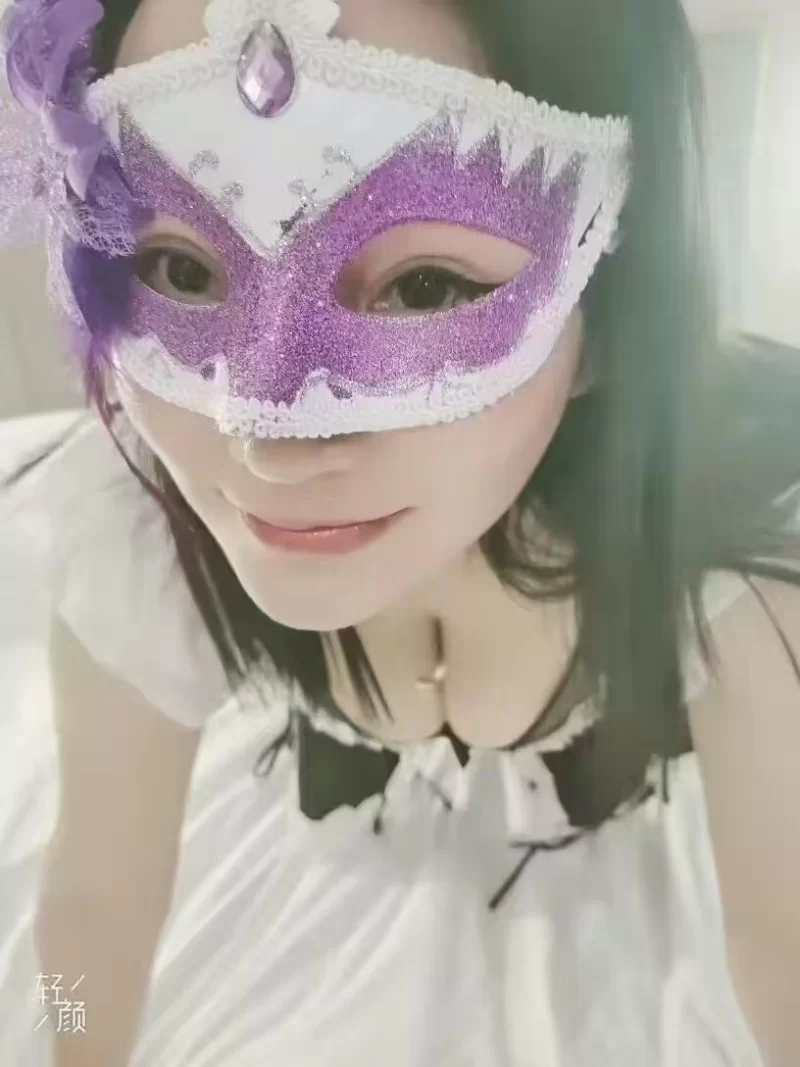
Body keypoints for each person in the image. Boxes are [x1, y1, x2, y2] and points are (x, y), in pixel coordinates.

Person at [1, 0, 799, 1064]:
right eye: (181, 271)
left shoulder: (738, 556)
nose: (266, 444)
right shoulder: (136, 534)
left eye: (425, 288)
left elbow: (786, 940)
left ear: (611, 302)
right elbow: (85, 917)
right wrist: (65, 1049)